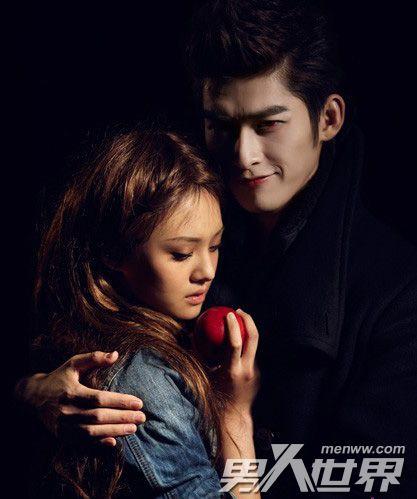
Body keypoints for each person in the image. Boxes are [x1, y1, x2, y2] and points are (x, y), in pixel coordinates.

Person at [17, 1, 417, 496]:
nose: (243, 156)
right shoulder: (170, 198)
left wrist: (236, 423)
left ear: (329, 118)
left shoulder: (398, 294)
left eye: (268, 125)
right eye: (222, 127)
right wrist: (32, 395)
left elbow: (368, 479)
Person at [20, 127, 261, 498]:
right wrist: (236, 415)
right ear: (114, 252)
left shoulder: (162, 332)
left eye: (214, 246)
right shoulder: (143, 383)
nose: (207, 271)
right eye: (181, 253)